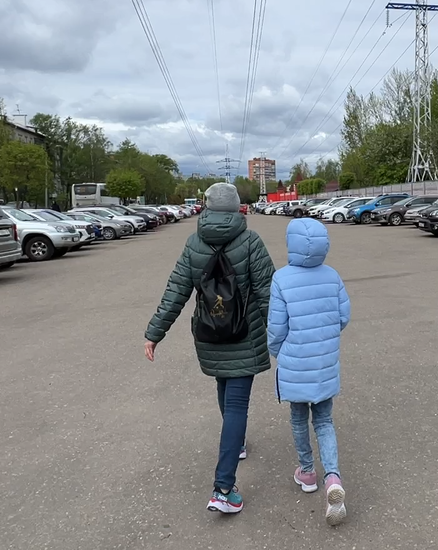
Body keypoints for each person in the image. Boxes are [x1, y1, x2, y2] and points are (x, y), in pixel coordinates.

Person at [143, 182, 274, 515]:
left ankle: (237, 444)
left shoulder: (193, 243)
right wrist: (283, 336)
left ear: (206, 208)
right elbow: (268, 294)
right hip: (245, 335)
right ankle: (223, 489)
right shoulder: (250, 242)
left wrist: (154, 333)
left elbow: (176, 292)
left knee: (223, 384)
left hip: (210, 335)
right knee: (236, 406)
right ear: (236, 209)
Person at [267, 217, 352, 526]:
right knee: (325, 420)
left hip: (295, 361)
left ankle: (307, 473)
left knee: (299, 417)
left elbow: (276, 328)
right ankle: (333, 478)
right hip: (324, 361)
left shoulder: (281, 279)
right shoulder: (332, 276)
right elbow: (344, 316)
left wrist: (277, 352)